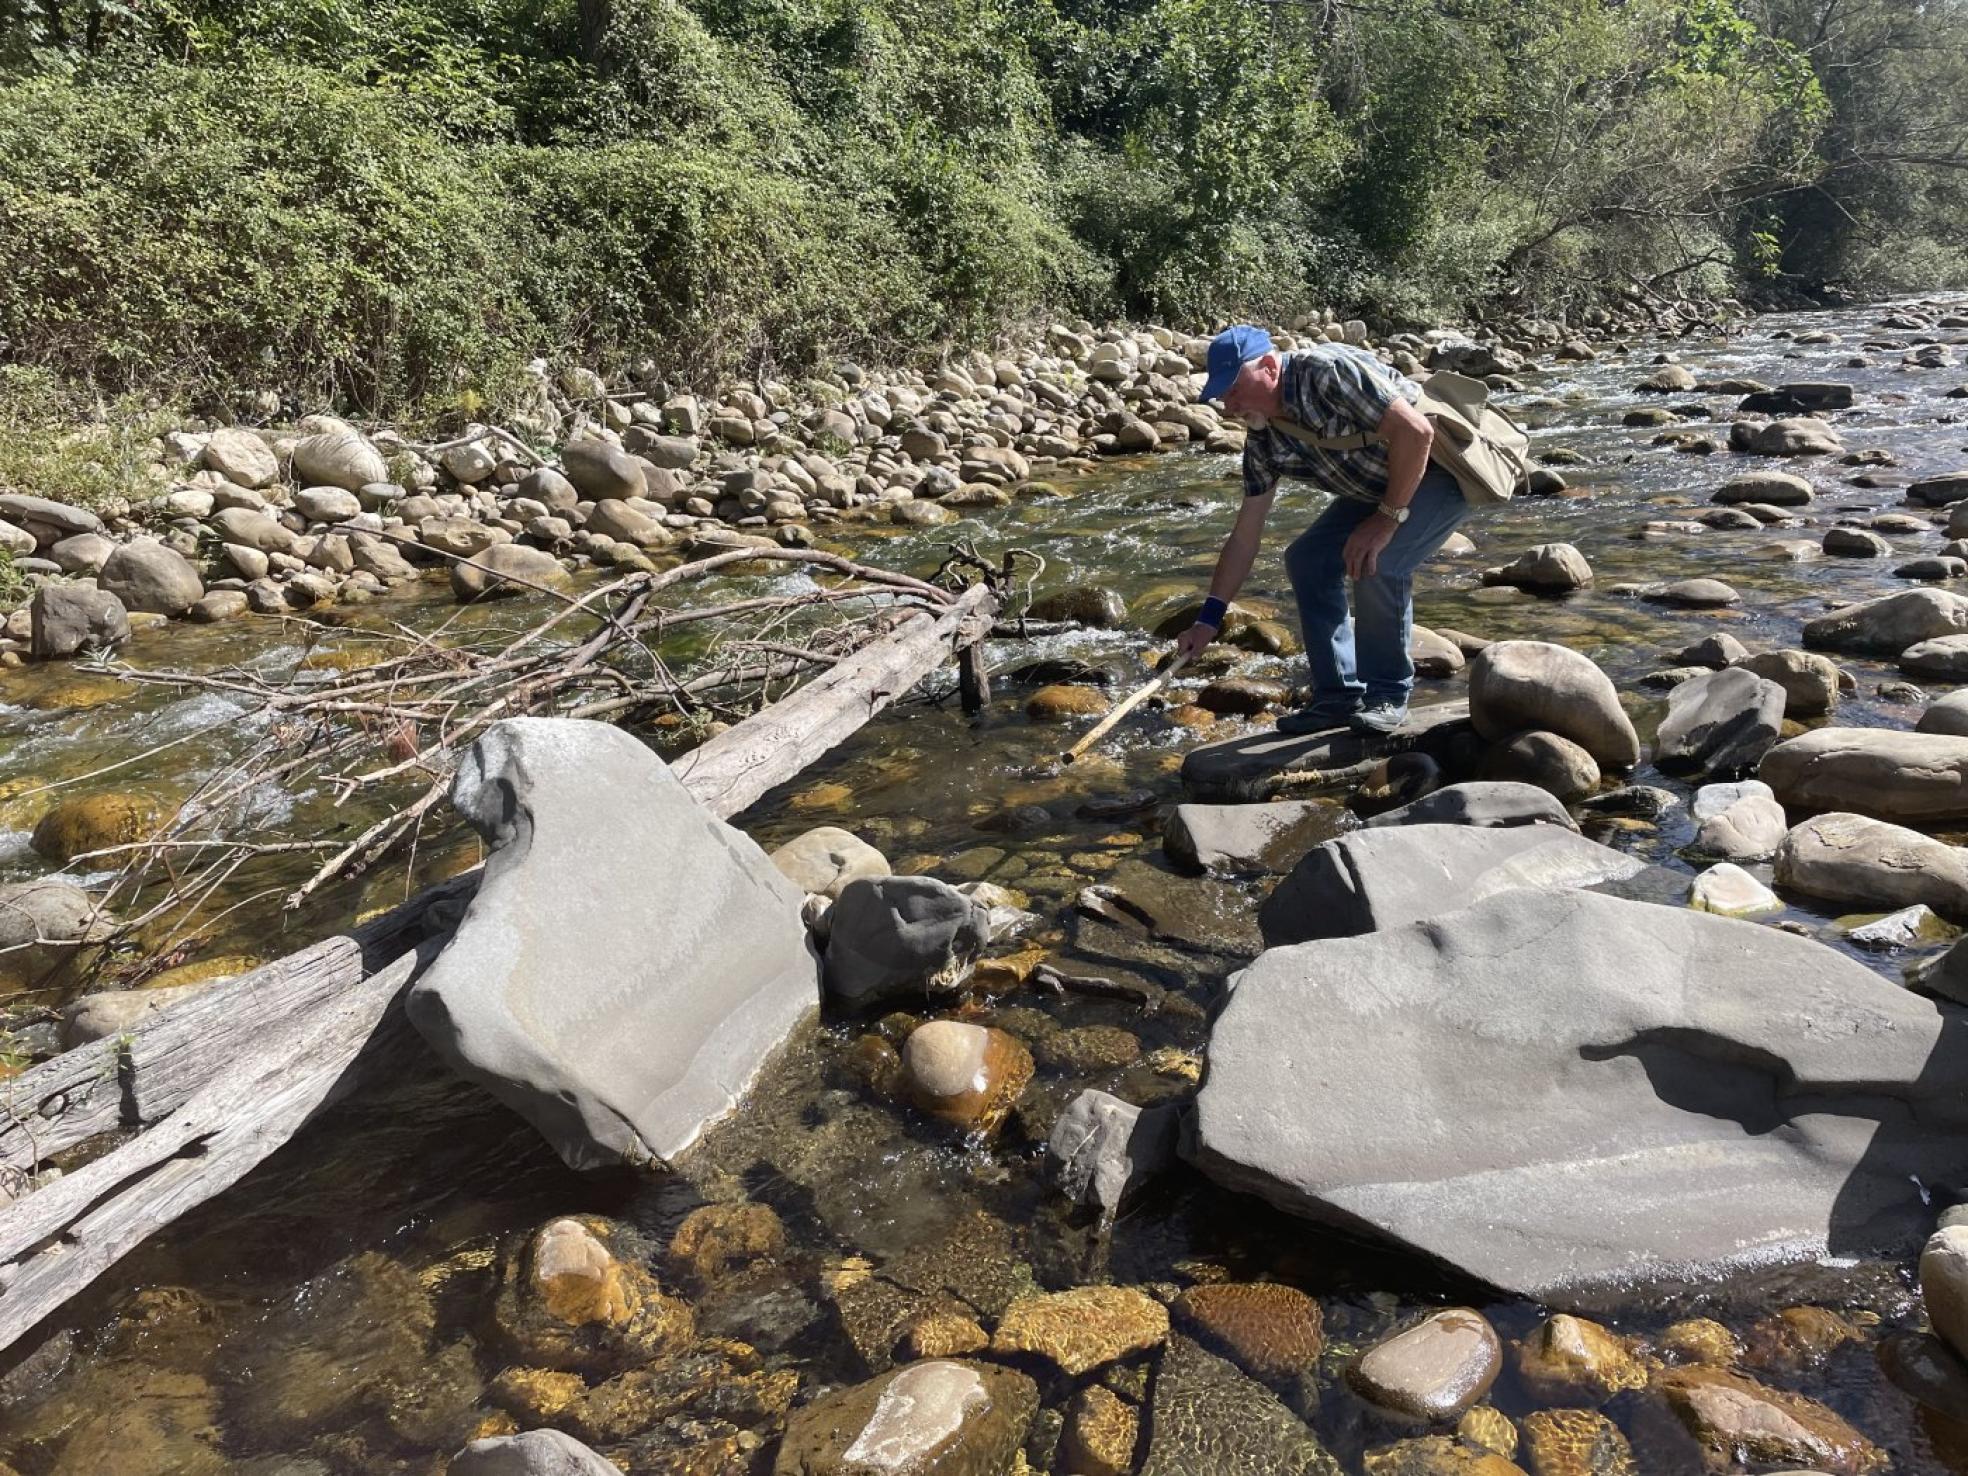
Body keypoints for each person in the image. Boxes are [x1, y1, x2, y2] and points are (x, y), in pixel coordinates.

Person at [1173, 324, 1470, 735]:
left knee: (1379, 560)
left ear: (1269, 367)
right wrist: (1208, 620)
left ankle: (1387, 693)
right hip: (1377, 486)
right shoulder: (1263, 438)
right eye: (1222, 394)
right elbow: (1244, 536)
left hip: (1438, 472)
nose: (1228, 405)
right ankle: (1337, 696)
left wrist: (1386, 519)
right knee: (1308, 559)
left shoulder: (1325, 373)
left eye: (1234, 389)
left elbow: (1417, 432)